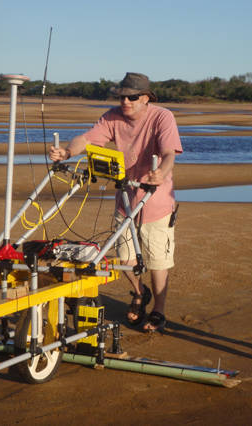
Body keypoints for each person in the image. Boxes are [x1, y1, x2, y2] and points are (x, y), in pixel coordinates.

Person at [49, 72, 182, 332]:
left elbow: (168, 153)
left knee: (157, 261)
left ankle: (159, 310)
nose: (126, 102)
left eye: (132, 97)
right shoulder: (111, 117)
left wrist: (161, 173)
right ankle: (139, 293)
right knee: (125, 259)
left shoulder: (162, 117)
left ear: (145, 98)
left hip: (156, 201)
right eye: (122, 96)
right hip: (125, 200)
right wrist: (66, 151)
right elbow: (86, 140)